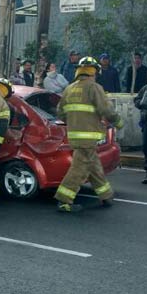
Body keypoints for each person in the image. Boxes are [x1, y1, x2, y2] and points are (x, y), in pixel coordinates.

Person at [55, 57, 118, 212]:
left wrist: (75, 121)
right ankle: (64, 201)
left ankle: (106, 196)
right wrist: (118, 122)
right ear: (93, 71)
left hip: (75, 135)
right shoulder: (94, 87)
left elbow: (60, 113)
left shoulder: (69, 89)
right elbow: (105, 109)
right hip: (88, 136)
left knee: (94, 165)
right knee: (78, 169)